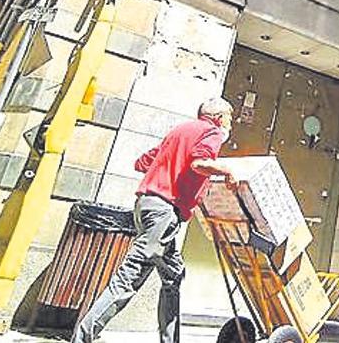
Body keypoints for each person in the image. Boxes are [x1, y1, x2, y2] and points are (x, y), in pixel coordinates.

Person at [72, 99, 238, 343]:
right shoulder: (211, 132)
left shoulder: (180, 130)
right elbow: (200, 162)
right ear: (217, 117)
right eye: (229, 118)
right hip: (163, 212)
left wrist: (171, 171)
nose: (230, 124)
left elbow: (142, 162)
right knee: (129, 277)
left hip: (147, 206)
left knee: (173, 274)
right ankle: (82, 337)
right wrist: (226, 171)